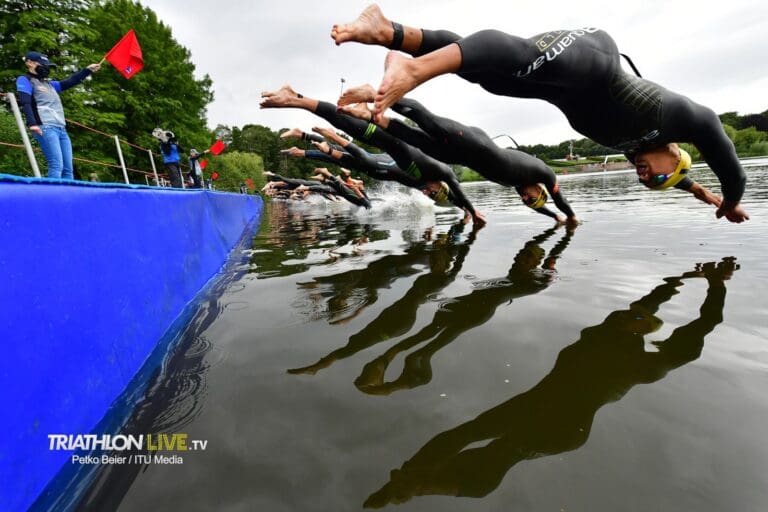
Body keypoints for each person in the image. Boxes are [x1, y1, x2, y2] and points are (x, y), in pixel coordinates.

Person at [331, 5, 748, 223]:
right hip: (594, 55)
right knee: (521, 58)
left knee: (494, 79)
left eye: (647, 183)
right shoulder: (676, 117)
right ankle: (415, 69)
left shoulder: (634, 149)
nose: (644, 176)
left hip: (564, 87)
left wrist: (701, 195)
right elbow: (724, 153)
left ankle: (390, 31)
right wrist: (730, 199)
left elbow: (681, 181)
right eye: (656, 176)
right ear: (676, 154)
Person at [338, 85, 578, 222]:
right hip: (473, 142)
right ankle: (374, 95)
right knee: (427, 121)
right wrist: (571, 216)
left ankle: (369, 114)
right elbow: (560, 200)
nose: (525, 199)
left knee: (410, 136)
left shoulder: (519, 185)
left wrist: (554, 218)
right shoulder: (543, 174)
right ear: (540, 189)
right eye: (531, 198)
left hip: (457, 156)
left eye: (526, 202)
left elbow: (540, 206)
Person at [261, 85, 486, 225]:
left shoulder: (425, 186)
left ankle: (305, 134)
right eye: (433, 192)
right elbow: (457, 190)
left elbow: (455, 200)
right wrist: (474, 210)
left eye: (430, 196)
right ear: (441, 185)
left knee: (348, 157)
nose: (427, 193)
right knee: (363, 146)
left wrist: (465, 212)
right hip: (395, 154)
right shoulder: (441, 171)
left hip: (385, 164)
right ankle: (300, 101)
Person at [15, 51, 101, 179]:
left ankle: (68, 198)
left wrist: (87, 70)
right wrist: (32, 123)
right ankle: (52, 198)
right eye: (42, 64)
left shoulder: (50, 84)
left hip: (61, 129)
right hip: (45, 127)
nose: (46, 68)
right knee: (56, 165)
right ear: (29, 63)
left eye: (47, 65)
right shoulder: (25, 80)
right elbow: (25, 102)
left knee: (68, 169)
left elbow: (70, 82)